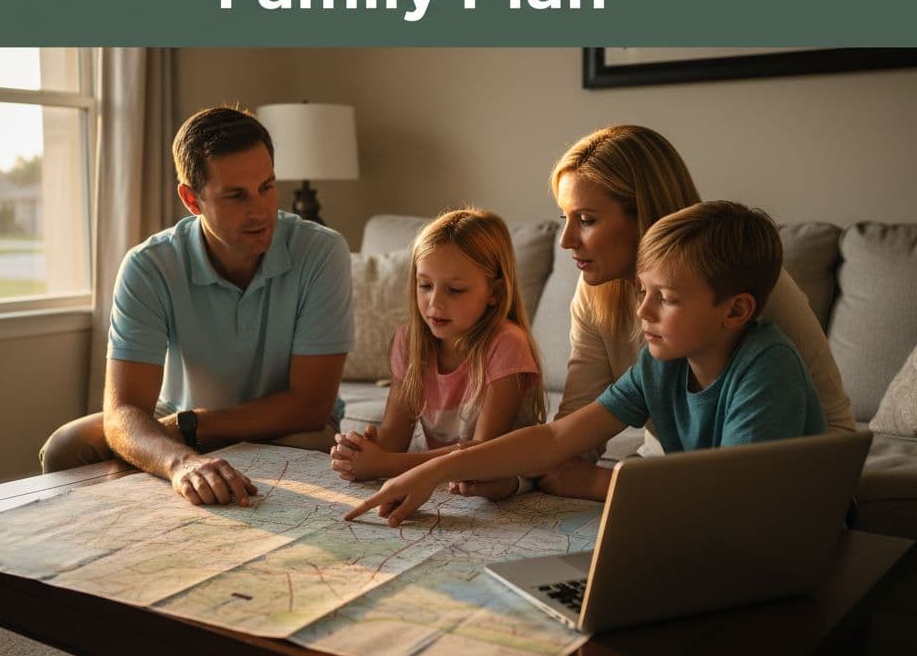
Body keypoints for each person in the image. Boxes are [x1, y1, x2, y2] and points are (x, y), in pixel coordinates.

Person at [346, 201, 827, 526]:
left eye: (667, 299)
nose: (642, 312)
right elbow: (556, 438)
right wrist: (428, 473)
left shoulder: (767, 369)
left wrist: (599, 481)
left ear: (737, 310)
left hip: (785, 541)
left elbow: (727, 503)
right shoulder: (662, 363)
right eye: (643, 293)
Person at [457, 125, 854, 503]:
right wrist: (513, 478)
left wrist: (604, 483)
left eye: (587, 219)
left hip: (782, 482)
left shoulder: (746, 294)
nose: (566, 240)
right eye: (566, 218)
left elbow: (745, 486)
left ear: (644, 217)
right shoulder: (603, 301)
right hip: (674, 474)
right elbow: (571, 434)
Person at [39, 106, 354, 507]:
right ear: (192, 199)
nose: (260, 210)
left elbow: (309, 406)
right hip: (180, 419)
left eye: (267, 187)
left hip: (283, 424)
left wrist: (191, 427)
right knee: (64, 447)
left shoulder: (322, 251)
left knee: (309, 442)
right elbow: (124, 410)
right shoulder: (149, 266)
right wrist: (179, 462)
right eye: (236, 195)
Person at [329, 208, 546, 498]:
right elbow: (394, 440)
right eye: (425, 285)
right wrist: (363, 452)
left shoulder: (507, 344)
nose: (436, 302)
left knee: (490, 484)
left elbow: (483, 452)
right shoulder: (410, 342)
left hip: (508, 468)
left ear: (494, 292)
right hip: (447, 474)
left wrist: (385, 463)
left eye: (455, 290)